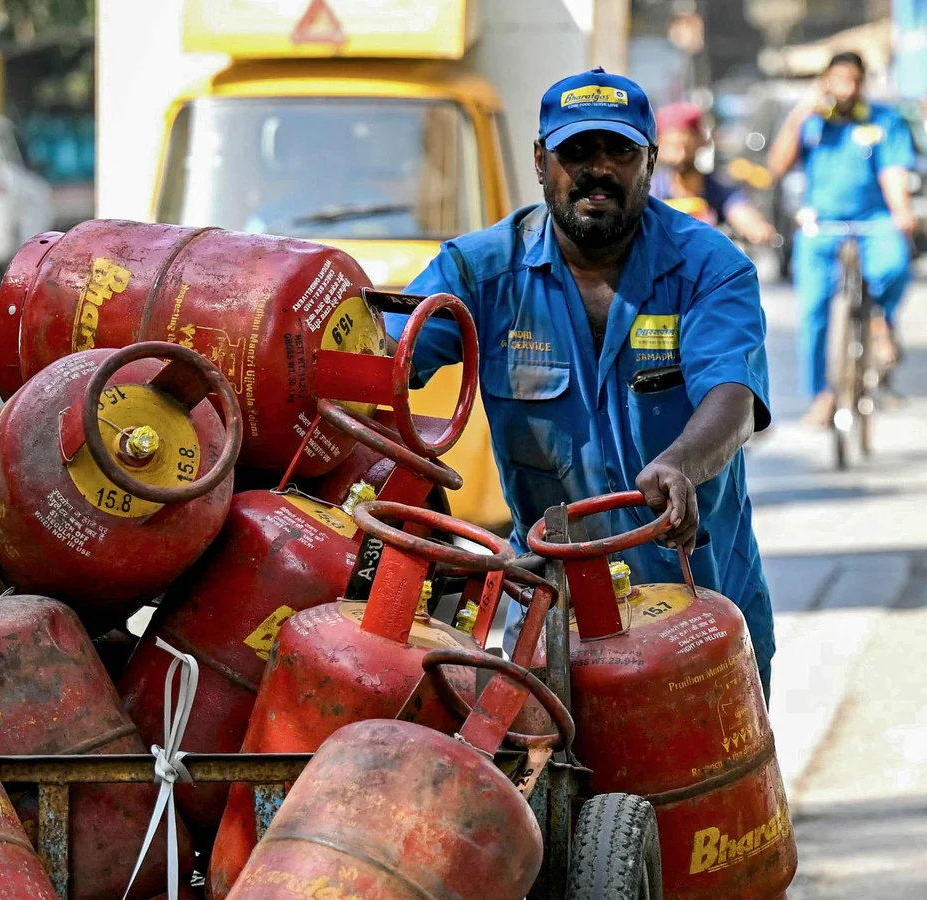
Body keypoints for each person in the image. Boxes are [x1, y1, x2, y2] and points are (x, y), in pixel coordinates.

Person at [384, 68, 776, 696]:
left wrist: (680, 463)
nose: (598, 169)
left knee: (712, 762)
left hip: (701, 608)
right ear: (542, 161)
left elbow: (732, 395)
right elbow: (384, 362)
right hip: (555, 616)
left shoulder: (710, 268)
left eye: (620, 151)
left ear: (650, 162)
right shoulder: (480, 273)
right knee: (542, 757)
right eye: (577, 152)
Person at [768, 51, 917, 426]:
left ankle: (881, 322)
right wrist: (799, 115)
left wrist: (902, 212)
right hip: (822, 223)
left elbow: (893, 171)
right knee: (813, 310)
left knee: (894, 264)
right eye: (839, 81)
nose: (846, 89)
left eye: (853, 81)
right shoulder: (812, 121)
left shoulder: (883, 120)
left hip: (874, 220)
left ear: (862, 83)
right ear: (826, 82)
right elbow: (777, 166)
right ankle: (821, 393)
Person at [650, 101, 777, 246]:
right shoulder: (652, 193)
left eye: (686, 146)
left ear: (702, 141)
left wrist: (754, 227)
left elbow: (738, 209)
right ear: (659, 145)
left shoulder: (717, 190)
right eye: (673, 146)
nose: (680, 156)